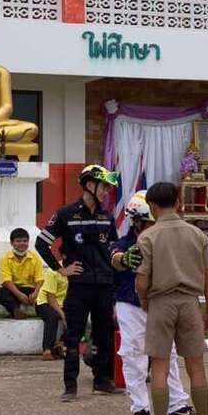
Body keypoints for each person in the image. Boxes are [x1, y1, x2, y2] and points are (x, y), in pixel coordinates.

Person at [135, 181, 208, 415]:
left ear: (152, 206)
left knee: (159, 368)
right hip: (189, 304)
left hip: (160, 303)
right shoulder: (197, 234)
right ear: (178, 202)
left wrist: (144, 301)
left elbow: (142, 280)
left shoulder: (147, 237)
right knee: (196, 367)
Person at [36, 164, 123, 402]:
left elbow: (113, 250)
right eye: (103, 186)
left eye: (108, 188)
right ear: (89, 185)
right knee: (73, 336)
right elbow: (41, 243)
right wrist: (60, 269)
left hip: (105, 285)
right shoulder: (65, 214)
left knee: (104, 335)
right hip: (79, 286)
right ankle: (70, 387)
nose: (106, 191)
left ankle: (102, 382)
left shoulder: (107, 216)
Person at [112, 190, 197, 415]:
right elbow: (115, 257)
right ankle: (140, 408)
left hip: (161, 304)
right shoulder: (125, 245)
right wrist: (124, 260)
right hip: (131, 305)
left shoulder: (168, 242)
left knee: (168, 354)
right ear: (137, 222)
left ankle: (177, 406)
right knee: (134, 355)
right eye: (151, 223)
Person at [0, 228, 44, 319]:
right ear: (12, 243)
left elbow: (40, 278)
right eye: (18, 241)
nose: (22, 243)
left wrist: (36, 293)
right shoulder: (5, 259)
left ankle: (42, 312)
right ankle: (16, 311)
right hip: (15, 290)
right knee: (1, 292)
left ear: (28, 242)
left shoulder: (35, 257)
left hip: (31, 290)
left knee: (44, 292)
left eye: (25, 241)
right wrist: (19, 294)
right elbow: (6, 281)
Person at [36, 265, 71, 361]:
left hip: (63, 303)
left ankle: (61, 343)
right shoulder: (53, 272)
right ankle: (47, 350)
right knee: (52, 317)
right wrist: (62, 314)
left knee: (76, 316)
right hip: (45, 302)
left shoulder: (77, 271)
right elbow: (50, 298)